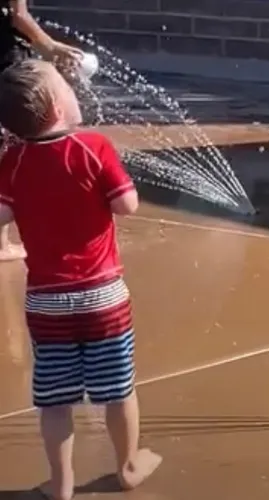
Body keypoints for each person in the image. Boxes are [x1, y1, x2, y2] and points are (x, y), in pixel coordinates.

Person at [0, 59, 162, 500]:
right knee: (119, 390)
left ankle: (61, 484)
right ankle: (127, 466)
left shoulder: (13, 161)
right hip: (103, 296)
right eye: (66, 85)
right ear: (56, 105)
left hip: (47, 302)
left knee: (54, 400)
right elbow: (127, 205)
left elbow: (2, 213)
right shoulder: (94, 147)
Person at [0, 0, 83, 261]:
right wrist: (50, 47)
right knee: (7, 144)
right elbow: (18, 16)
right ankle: (1, 245)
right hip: (3, 53)